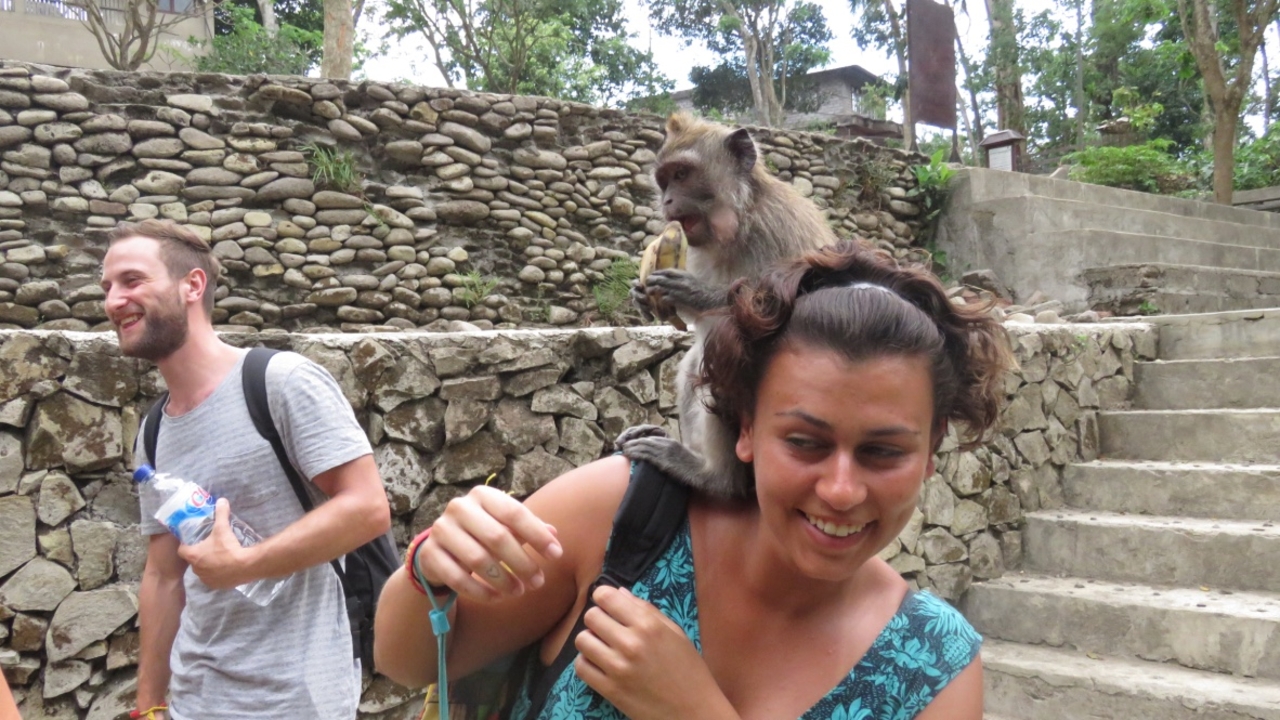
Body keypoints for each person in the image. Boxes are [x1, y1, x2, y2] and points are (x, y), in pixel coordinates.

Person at [374, 239, 1011, 719]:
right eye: (804, 442)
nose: (841, 490)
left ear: (932, 450)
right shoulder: (620, 516)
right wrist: (431, 573)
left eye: (883, 452)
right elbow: (404, 661)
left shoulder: (932, 664)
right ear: (745, 429)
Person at [101, 220, 392, 720]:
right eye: (106, 287)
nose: (112, 301)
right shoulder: (153, 430)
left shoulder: (280, 382)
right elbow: (164, 575)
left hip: (296, 700)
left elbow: (367, 508)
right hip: (195, 698)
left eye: (132, 280)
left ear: (192, 285)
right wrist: (148, 704)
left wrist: (245, 565)